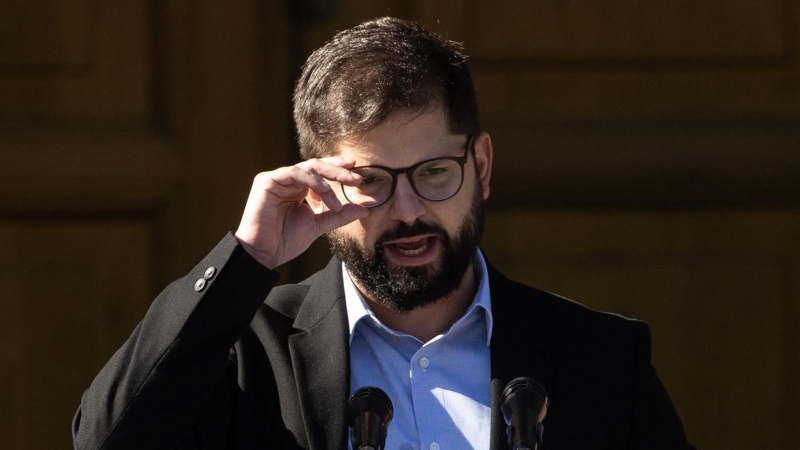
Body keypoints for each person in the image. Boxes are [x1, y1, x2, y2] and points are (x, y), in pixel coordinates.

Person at [73, 17, 694, 450]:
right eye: (370, 180)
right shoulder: (246, 353)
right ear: (319, 186)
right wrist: (249, 256)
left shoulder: (601, 358)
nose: (406, 211)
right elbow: (107, 441)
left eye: (432, 173)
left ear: (479, 166)